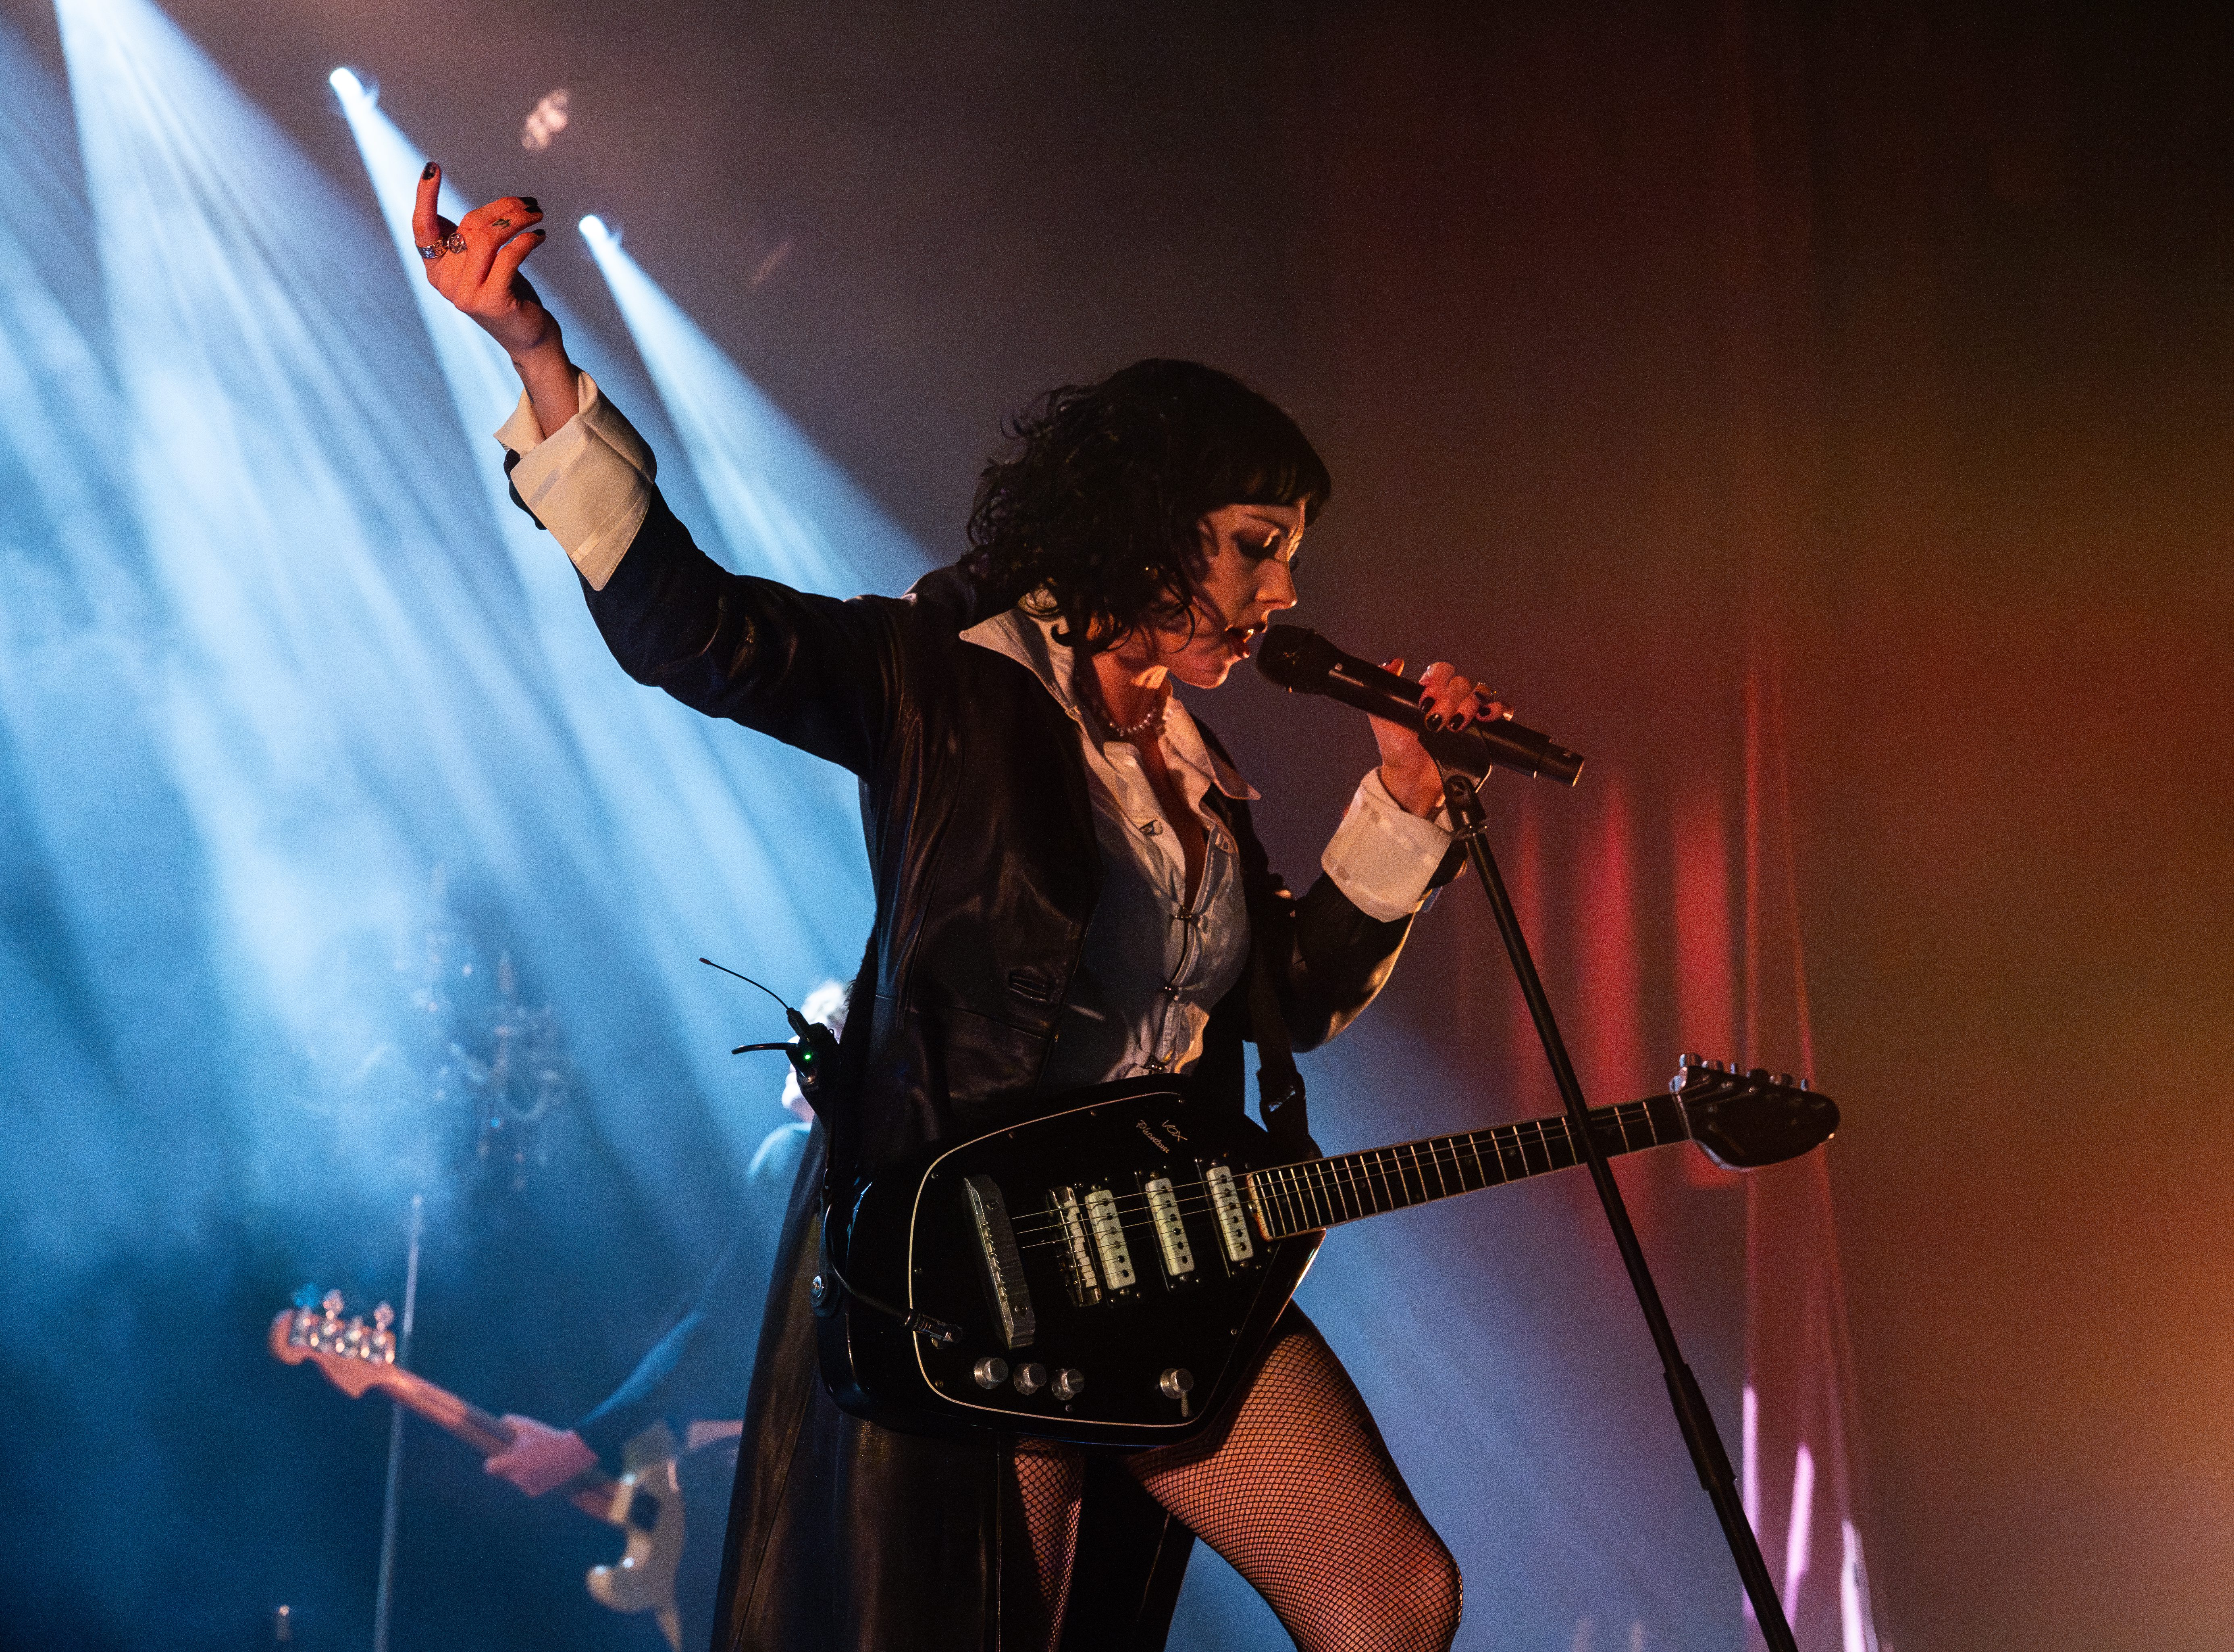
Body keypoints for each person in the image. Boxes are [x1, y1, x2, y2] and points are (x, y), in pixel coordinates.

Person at [414, 166, 1504, 1652]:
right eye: (1257, 542)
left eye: (1292, 554)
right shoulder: (950, 679)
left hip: (1159, 1245)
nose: (1280, 590)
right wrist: (538, 360)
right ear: (1145, 525)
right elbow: (694, 628)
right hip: (989, 1249)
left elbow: (1289, 1001)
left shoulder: (1195, 766)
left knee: (1391, 1593)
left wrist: (1408, 801)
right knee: (1007, 1625)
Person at [482, 981, 842, 1650]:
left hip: (757, 1485)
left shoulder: (796, 1155)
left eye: (810, 1034)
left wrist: (578, 1443)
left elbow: (719, 1323)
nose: (793, 1048)